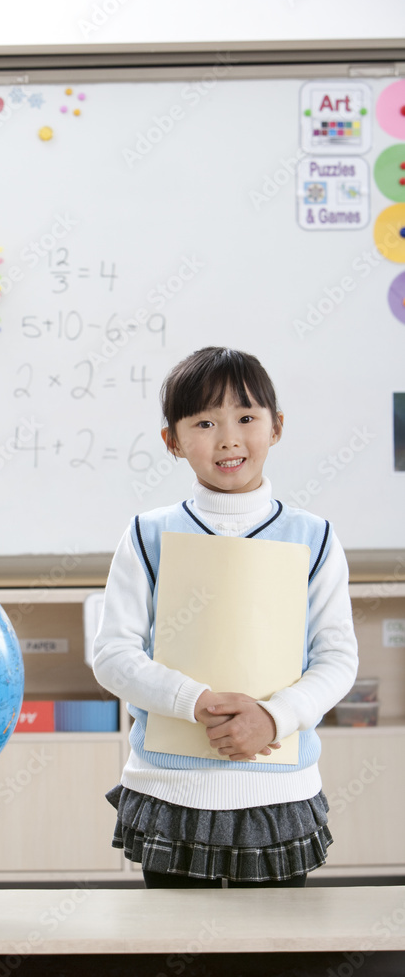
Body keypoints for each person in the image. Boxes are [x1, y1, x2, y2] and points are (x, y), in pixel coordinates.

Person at [92, 346, 358, 888]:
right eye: (205, 422)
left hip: (277, 792)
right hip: (172, 791)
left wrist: (273, 717)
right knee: (174, 950)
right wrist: (198, 702)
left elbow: (337, 659)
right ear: (172, 439)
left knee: (272, 954)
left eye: (246, 418)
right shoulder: (148, 533)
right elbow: (113, 656)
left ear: (276, 427)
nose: (229, 438)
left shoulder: (315, 537)